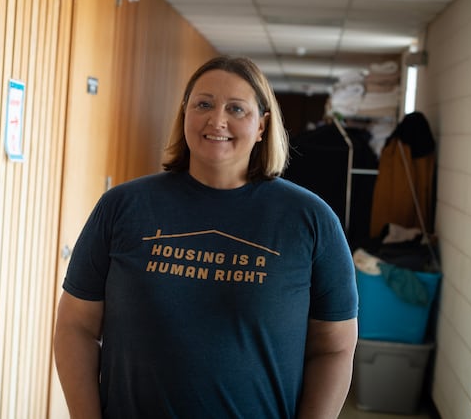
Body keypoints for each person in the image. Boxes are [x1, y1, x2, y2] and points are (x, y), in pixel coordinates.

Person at [53, 55, 358, 418]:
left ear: (262, 126)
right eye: (204, 104)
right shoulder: (122, 207)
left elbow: (334, 348)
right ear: (185, 114)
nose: (218, 120)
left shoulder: (310, 221)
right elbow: (76, 326)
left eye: (236, 109)